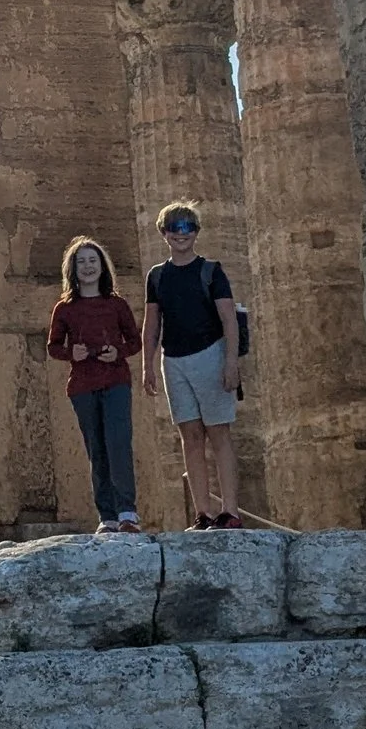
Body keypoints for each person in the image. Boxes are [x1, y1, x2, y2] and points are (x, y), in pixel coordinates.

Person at [142, 201, 243, 528]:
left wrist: (231, 362)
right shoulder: (157, 276)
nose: (180, 233)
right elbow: (152, 323)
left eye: (187, 227)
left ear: (196, 231)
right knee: (190, 435)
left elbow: (229, 319)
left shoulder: (211, 271)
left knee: (219, 433)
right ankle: (203, 512)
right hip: (174, 360)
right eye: (174, 227)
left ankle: (231, 511)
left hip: (210, 354)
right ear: (164, 233)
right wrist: (147, 365)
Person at [47, 236, 143, 534]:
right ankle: (107, 516)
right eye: (81, 262)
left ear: (102, 266)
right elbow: (53, 346)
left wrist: (118, 352)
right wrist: (71, 353)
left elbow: (135, 341)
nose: (88, 267)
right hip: (83, 386)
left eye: (92, 260)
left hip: (115, 381)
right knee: (97, 450)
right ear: (73, 269)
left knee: (118, 444)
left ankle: (127, 512)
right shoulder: (64, 309)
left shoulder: (117, 305)